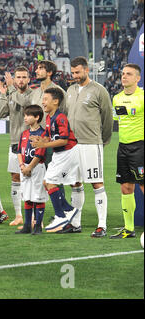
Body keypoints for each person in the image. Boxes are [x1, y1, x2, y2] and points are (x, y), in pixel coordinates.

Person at [64, 56, 113, 237]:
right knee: (75, 184)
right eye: (73, 72)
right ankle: (75, 223)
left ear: (86, 70)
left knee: (96, 182)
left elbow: (108, 119)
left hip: (91, 143)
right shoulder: (70, 90)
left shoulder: (99, 91)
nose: (75, 75)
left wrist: (102, 140)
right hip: (72, 145)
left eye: (78, 72)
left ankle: (102, 225)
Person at [30, 88, 80, 232]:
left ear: (56, 101)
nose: (43, 102)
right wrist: (41, 138)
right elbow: (48, 133)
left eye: (46, 99)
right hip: (59, 154)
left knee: (51, 183)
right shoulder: (49, 117)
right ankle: (69, 210)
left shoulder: (61, 117)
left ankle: (60, 216)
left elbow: (64, 140)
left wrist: (43, 144)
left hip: (67, 152)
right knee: (47, 182)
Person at [0, 66, 33, 226]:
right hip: (14, 143)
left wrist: (10, 88)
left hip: (30, 143)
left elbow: (24, 104)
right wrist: (3, 95)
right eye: (18, 77)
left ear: (29, 79)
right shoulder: (11, 94)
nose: (20, 80)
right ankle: (18, 215)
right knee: (15, 178)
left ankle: (31, 216)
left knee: (30, 180)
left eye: (24, 77)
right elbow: (0, 113)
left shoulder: (33, 95)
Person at [110, 63, 144, 239]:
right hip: (123, 147)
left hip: (140, 147)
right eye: (123, 73)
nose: (124, 76)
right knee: (126, 187)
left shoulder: (143, 97)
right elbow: (118, 120)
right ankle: (128, 229)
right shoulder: (117, 98)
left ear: (137, 78)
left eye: (129, 74)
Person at [16, 105, 48, 235]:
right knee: (27, 197)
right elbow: (19, 151)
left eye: (28, 115)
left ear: (37, 117)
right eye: (24, 115)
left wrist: (29, 167)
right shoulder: (24, 133)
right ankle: (27, 225)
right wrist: (22, 166)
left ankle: (38, 227)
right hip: (24, 168)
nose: (25, 118)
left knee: (38, 197)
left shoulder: (43, 134)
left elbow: (40, 153)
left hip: (37, 168)